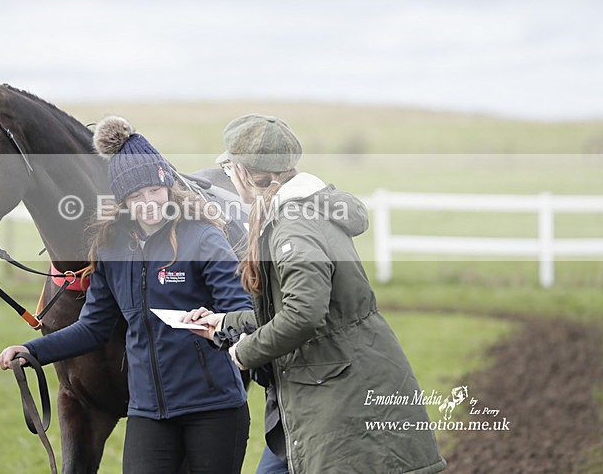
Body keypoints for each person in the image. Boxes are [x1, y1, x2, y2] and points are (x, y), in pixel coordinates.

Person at [183, 114, 447, 473]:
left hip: (339, 390)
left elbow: (303, 314)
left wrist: (244, 353)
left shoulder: (294, 225)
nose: (228, 177)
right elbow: (286, 307)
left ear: (244, 172)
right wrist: (225, 323)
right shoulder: (288, 213)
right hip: (326, 382)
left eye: (229, 168)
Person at [0, 115, 252, 474]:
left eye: (154, 190)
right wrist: (32, 350)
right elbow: (93, 327)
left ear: (167, 187)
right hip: (148, 412)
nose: (148, 202)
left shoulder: (203, 238)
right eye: (136, 194)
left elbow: (243, 311)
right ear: (122, 199)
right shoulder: (110, 249)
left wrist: (216, 325)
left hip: (212, 408)